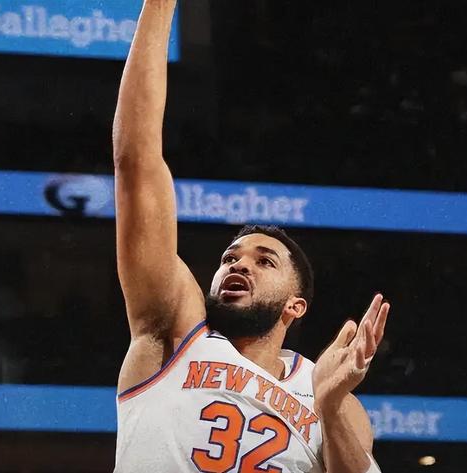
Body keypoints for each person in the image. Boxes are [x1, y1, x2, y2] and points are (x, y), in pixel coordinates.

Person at [111, 1, 391, 472]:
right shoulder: (173, 331)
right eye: (230, 257)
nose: (238, 264)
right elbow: (136, 162)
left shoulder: (332, 396)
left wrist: (328, 404)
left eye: (265, 261)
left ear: (295, 306)